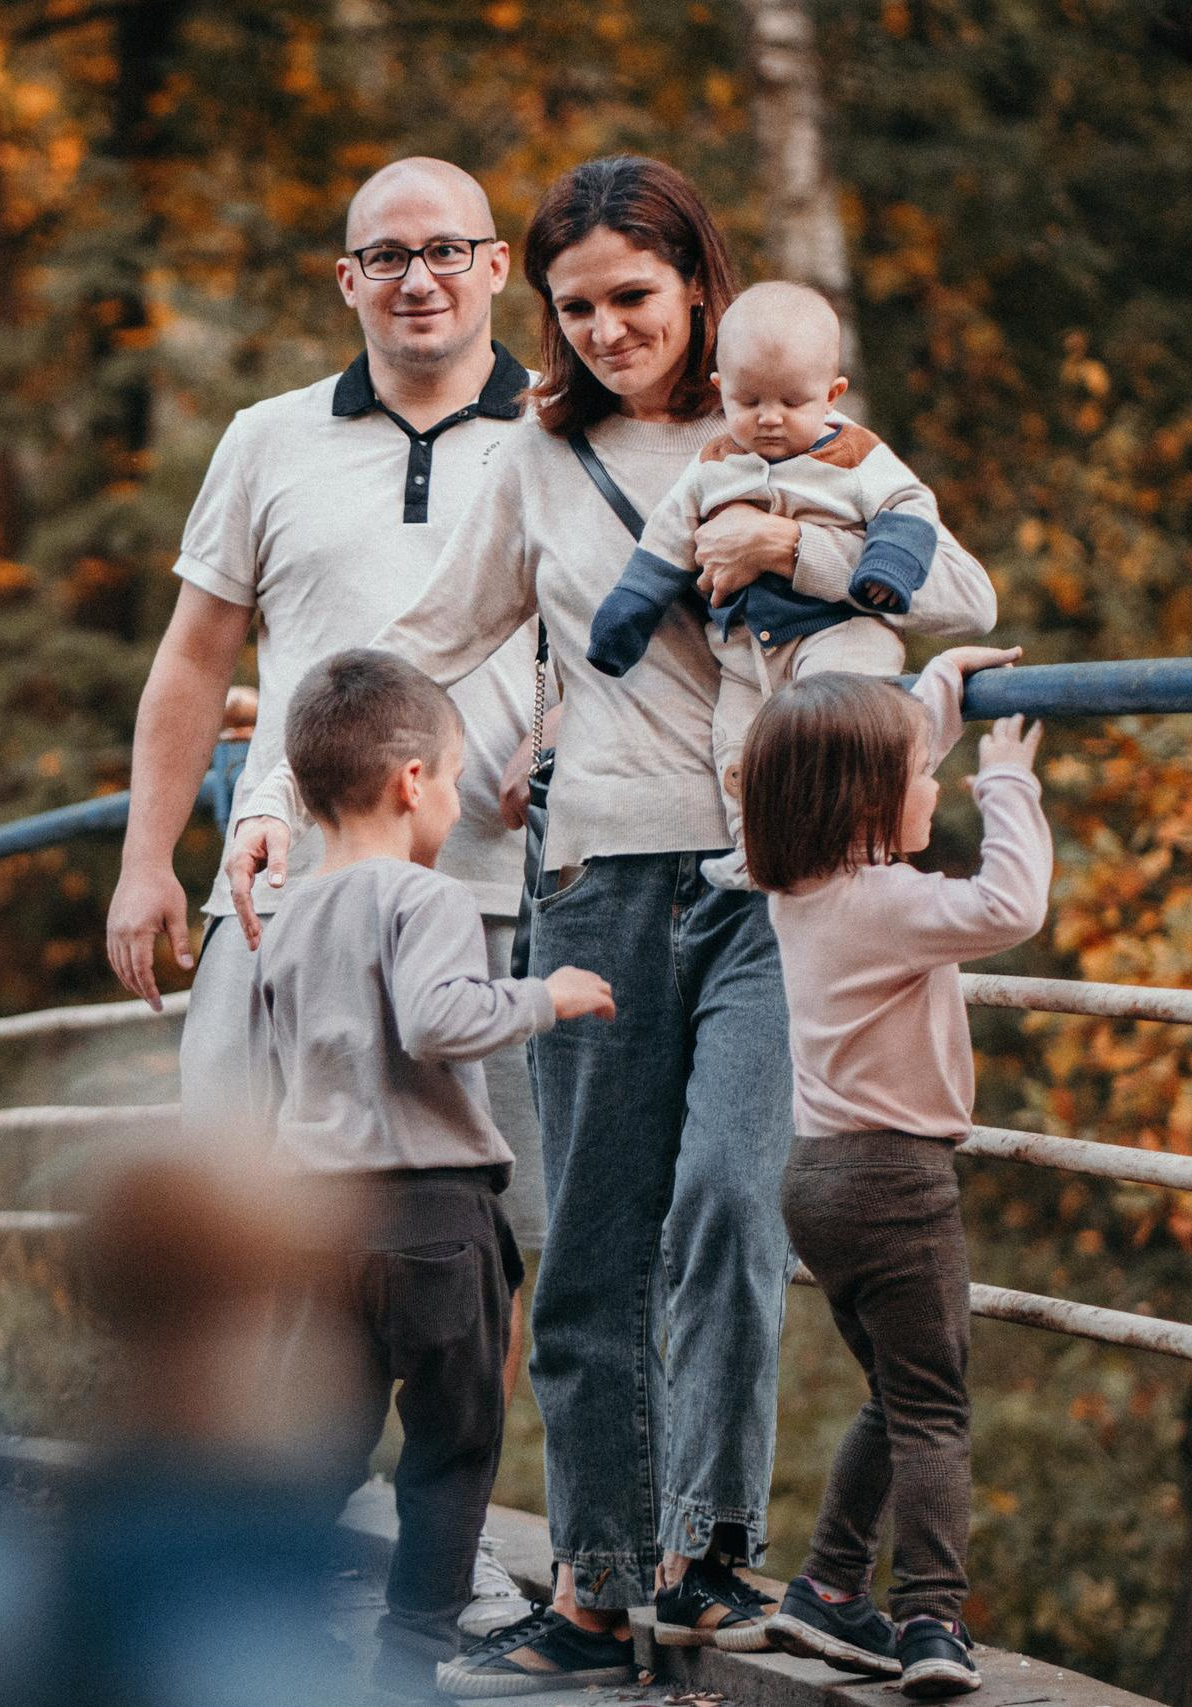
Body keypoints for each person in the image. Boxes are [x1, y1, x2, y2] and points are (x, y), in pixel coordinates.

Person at [227, 156, 997, 1698]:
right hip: (598, 882)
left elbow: (956, 589)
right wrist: (281, 792)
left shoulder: (795, 430)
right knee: (584, 1256)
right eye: (574, 308)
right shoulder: (537, 456)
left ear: (698, 287)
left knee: (725, 1199)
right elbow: (423, 642)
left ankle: (703, 1549)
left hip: (773, 884)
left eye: (632, 299)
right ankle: (593, 1589)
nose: (603, 331)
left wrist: (797, 550)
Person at [103, 159, 551, 1608]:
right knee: (249, 1203)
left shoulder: (562, 432)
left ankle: (447, 1548)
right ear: (345, 278)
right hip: (278, 894)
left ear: (494, 267)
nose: (418, 277)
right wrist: (145, 860)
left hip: (501, 892)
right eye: (387, 255)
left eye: (448, 251)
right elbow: (194, 659)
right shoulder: (268, 438)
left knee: (488, 1242)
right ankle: (250, 1527)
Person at [250, 650, 616, 1699]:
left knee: (322, 1440)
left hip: (319, 1219)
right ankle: (410, 1658)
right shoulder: (426, 898)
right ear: (413, 781)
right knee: (454, 1446)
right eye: (453, 778)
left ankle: (272, 1613)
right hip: (432, 1217)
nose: (455, 799)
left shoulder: (284, 923)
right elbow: (440, 1018)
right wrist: (548, 995)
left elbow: (280, 1080)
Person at [744, 649, 1050, 1701]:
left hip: (818, 1180)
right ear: (869, 803)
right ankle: (930, 1619)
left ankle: (827, 1587)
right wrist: (1005, 781)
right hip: (896, 1183)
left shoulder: (796, 888)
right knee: (935, 1410)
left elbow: (868, 773)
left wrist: (934, 702)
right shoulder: (890, 904)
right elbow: (1012, 906)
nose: (936, 784)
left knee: (895, 1392)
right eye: (921, 775)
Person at [585, 281, 950, 888]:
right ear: (719, 389)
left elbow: (911, 506)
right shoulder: (711, 465)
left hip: (837, 633)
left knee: (834, 729)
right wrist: (625, 616)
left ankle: (846, 852)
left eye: (793, 402)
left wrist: (885, 567)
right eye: (749, 400)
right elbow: (663, 546)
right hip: (745, 651)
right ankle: (754, 851)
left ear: (832, 395)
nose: (770, 417)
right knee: (741, 748)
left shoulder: (856, 455)